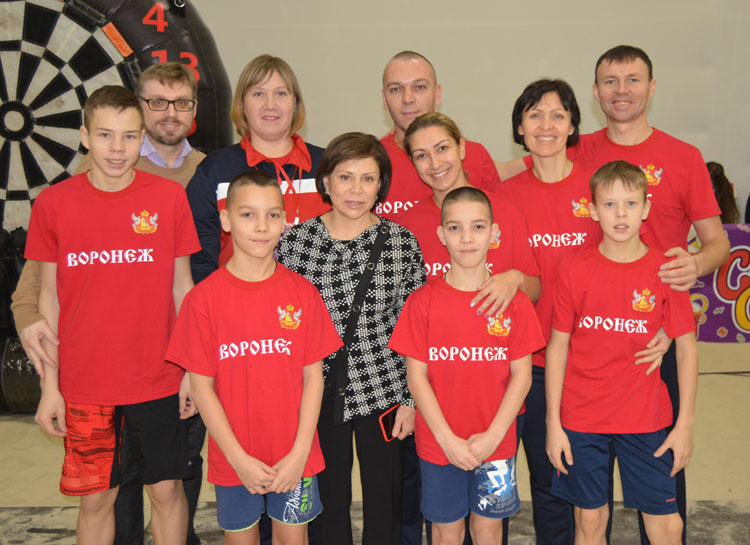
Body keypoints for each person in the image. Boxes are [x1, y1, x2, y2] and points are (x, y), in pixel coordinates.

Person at [11, 61, 207, 545]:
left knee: (167, 491)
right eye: (105, 135)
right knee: (96, 499)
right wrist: (50, 386)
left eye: (128, 137)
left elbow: (183, 290)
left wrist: (189, 370)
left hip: (158, 378)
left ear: (142, 139)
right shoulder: (53, 204)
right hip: (85, 386)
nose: (117, 149)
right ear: (85, 137)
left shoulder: (168, 199)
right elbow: (49, 299)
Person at [165, 171, 342, 545]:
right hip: (234, 458)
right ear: (226, 220)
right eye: (248, 215)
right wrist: (238, 459)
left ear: (284, 220)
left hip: (295, 456)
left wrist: (299, 454)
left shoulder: (303, 293)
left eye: (272, 215)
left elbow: (314, 378)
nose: (262, 226)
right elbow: (201, 387)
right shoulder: (203, 300)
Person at [277, 132, 426, 545]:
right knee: (327, 506)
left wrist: (411, 400)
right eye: (345, 177)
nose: (356, 190)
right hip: (317, 393)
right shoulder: (295, 244)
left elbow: (417, 330)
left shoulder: (401, 243)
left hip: (384, 391)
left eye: (367, 178)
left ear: (381, 185)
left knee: (386, 503)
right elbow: (282, 324)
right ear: (326, 181)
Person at [545, 160, 698, 545]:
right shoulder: (573, 269)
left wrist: (684, 425)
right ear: (594, 211)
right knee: (589, 521)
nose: (620, 214)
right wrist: (553, 423)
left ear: (645, 208)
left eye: (630, 203)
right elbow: (557, 348)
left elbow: (686, 349)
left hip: (645, 418)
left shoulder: (666, 270)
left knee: (667, 526)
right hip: (582, 418)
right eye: (610, 204)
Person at [389, 186, 544, 545]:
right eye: (455, 228)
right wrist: (447, 440)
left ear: (494, 233)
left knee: (488, 531)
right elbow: (416, 378)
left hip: (497, 442)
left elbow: (522, 377)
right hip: (439, 443)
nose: (467, 238)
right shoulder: (422, 302)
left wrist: (494, 436)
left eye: (478, 227)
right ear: (441, 235)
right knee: (447, 531)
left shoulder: (515, 303)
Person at [495, 78, 600, 545]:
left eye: (558, 115)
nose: (546, 125)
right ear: (520, 127)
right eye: (534, 115)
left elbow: (634, 262)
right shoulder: (503, 196)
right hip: (522, 363)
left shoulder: (598, 187)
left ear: (573, 125)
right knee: (523, 483)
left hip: (587, 365)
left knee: (575, 487)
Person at [188, 54, 330, 285]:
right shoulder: (215, 170)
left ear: (295, 104)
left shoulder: (328, 166)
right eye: (258, 94)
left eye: (281, 94)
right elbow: (200, 260)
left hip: (316, 303)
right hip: (236, 302)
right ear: (242, 105)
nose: (270, 104)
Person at [400, 112, 541, 325]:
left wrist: (516, 279)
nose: (435, 164)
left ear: (461, 148)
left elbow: (534, 290)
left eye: (442, 148)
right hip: (436, 343)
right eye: (421, 156)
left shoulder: (505, 211)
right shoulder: (407, 227)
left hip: (497, 341)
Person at [378, 51, 502, 220]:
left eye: (419, 87)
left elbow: (499, 222)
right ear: (384, 99)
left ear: (437, 94)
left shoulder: (476, 156)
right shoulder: (371, 162)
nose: (408, 98)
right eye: (396, 89)